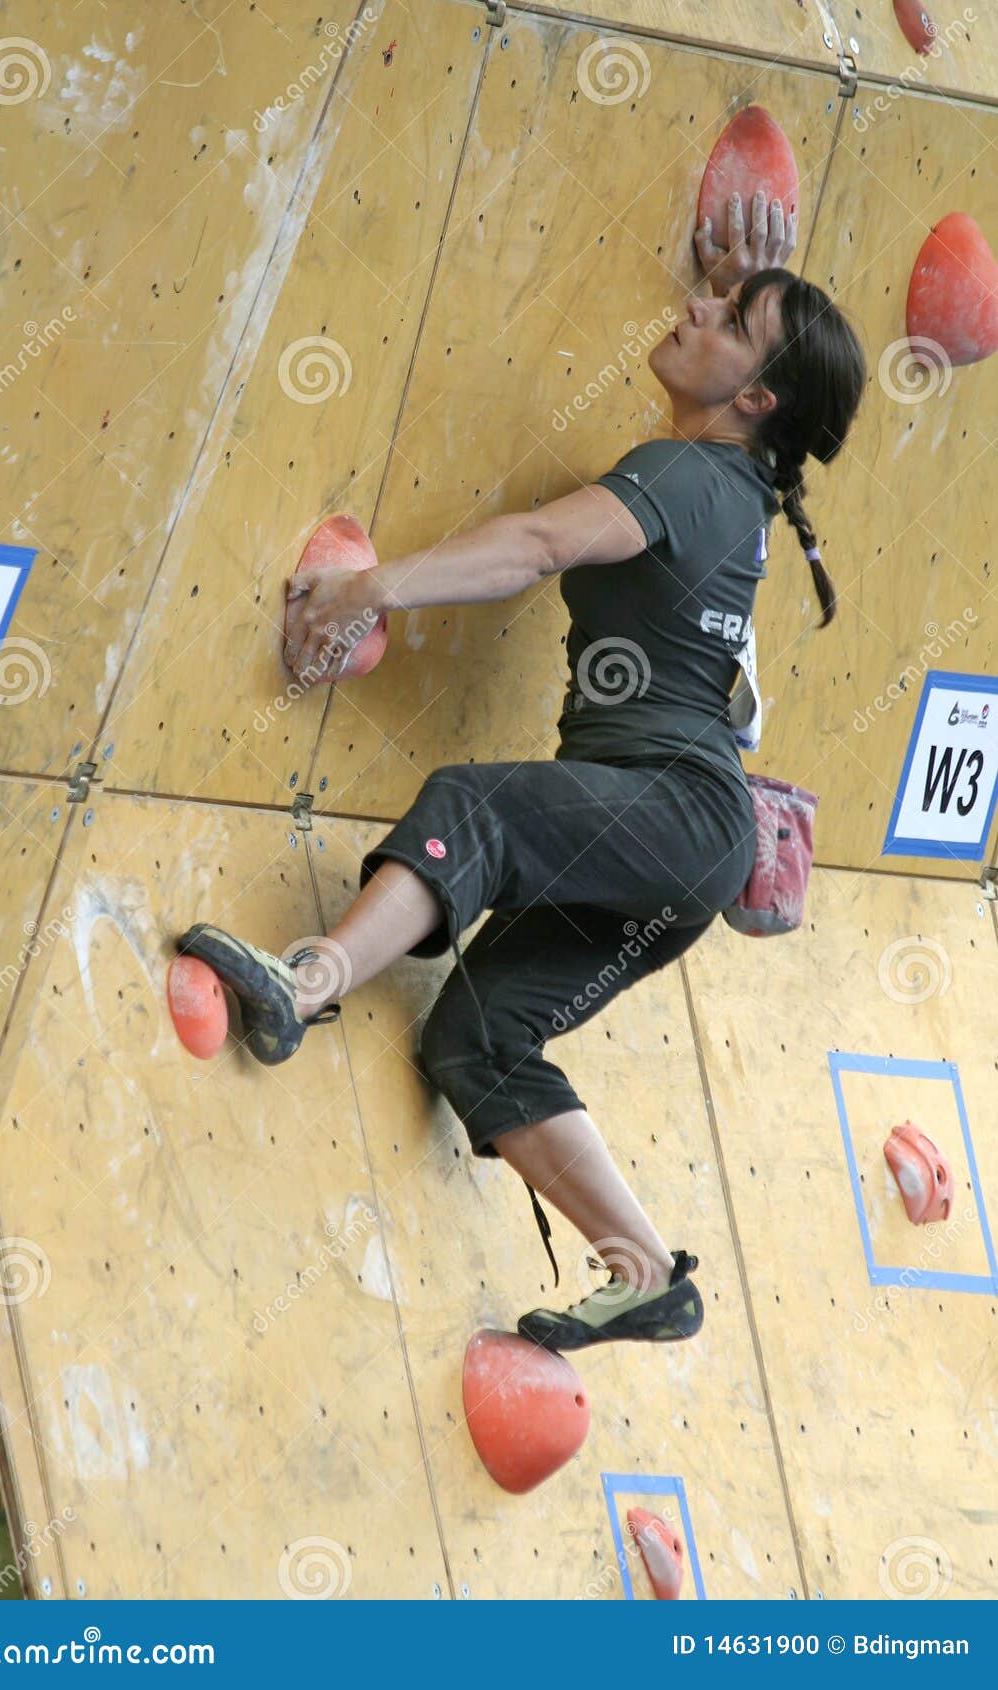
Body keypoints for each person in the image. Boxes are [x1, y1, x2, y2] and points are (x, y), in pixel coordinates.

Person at [177, 190, 866, 1352]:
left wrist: (371, 587)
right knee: (476, 1041)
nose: (696, 308)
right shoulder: (735, 488)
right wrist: (746, 294)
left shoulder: (689, 476)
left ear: (753, 397)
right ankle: (642, 1267)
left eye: (728, 319)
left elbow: (542, 544)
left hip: (675, 811)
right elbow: (717, 385)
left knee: (475, 804)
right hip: (679, 851)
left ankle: (300, 986)